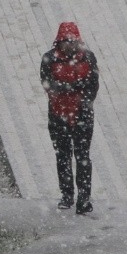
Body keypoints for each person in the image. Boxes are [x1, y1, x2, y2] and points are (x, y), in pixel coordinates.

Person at [40, 21, 99, 214]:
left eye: (72, 40)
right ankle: (67, 195)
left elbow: (92, 86)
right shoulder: (49, 59)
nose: (69, 44)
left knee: (82, 157)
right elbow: (48, 85)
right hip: (59, 115)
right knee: (63, 156)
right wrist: (75, 87)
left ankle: (84, 199)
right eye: (65, 41)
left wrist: (78, 98)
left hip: (82, 114)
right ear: (59, 41)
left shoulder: (88, 58)